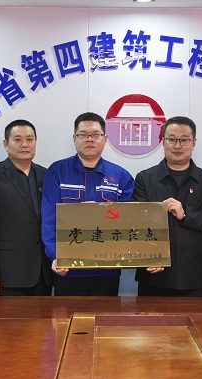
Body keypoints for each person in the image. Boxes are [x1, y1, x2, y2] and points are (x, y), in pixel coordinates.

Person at [41, 112, 134, 296]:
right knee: (66, 314)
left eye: (95, 135)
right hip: (68, 269)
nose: (89, 139)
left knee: (105, 314)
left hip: (106, 269)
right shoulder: (57, 171)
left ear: (105, 139)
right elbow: (49, 219)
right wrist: (56, 255)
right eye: (83, 135)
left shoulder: (121, 176)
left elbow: (129, 222)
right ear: (74, 138)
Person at [133, 116, 202, 296]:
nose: (177, 145)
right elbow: (137, 224)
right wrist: (148, 258)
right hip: (153, 275)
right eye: (172, 139)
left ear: (193, 143)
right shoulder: (145, 178)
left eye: (184, 140)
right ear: (163, 142)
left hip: (191, 276)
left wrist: (186, 214)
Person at [0, 120, 52, 296]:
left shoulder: (47, 175)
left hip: (43, 273)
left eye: (30, 139)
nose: (24, 144)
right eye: (17, 139)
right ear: (5, 144)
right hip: (7, 274)